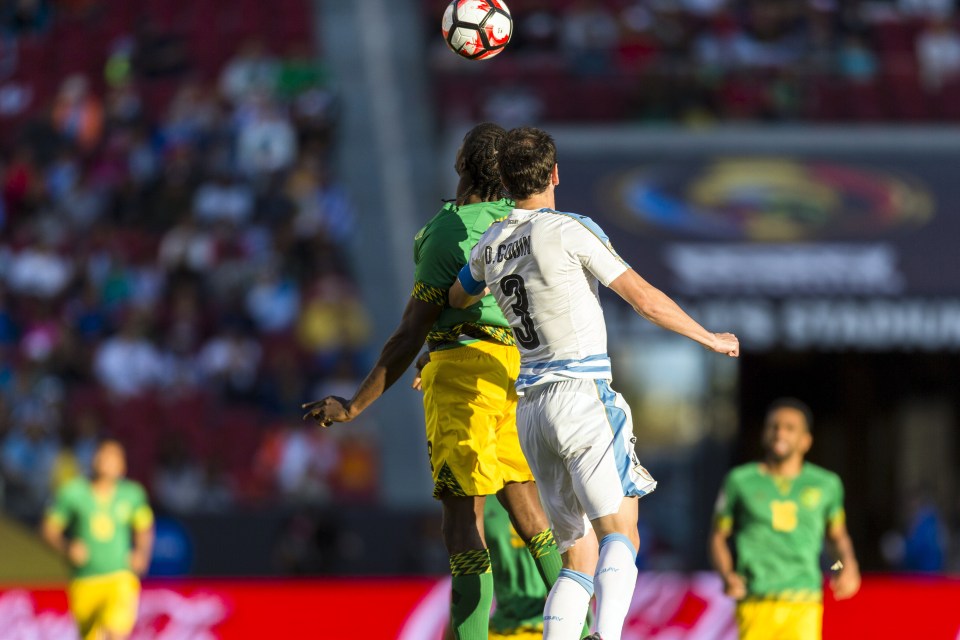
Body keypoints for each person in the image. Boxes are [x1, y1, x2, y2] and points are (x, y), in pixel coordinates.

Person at [449, 126, 739, 640]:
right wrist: (707, 337)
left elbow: (458, 297)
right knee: (620, 535)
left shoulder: (489, 246)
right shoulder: (569, 229)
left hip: (531, 410)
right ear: (555, 174)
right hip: (580, 395)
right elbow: (643, 298)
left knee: (575, 561)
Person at [303, 123, 566, 640]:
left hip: (465, 376)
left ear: (462, 162)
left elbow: (409, 330)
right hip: (518, 372)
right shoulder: (523, 222)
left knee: (461, 518)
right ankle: (579, 629)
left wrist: (355, 405)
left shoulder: (448, 230)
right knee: (527, 507)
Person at [709, 398, 861, 640]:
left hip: (804, 602)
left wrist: (845, 566)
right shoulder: (739, 480)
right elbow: (718, 537)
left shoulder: (827, 484)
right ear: (763, 433)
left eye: (790, 428)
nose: (780, 432)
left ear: (806, 441)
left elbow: (836, 537)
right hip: (755, 601)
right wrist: (727, 574)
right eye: (774, 426)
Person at [41, 440, 155, 640]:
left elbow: (144, 527)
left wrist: (141, 553)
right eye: (103, 456)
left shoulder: (132, 494)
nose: (107, 462)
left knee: (115, 631)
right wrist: (67, 548)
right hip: (85, 580)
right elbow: (49, 529)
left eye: (114, 458)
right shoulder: (73, 493)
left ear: (123, 466)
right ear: (94, 460)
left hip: (120, 576)